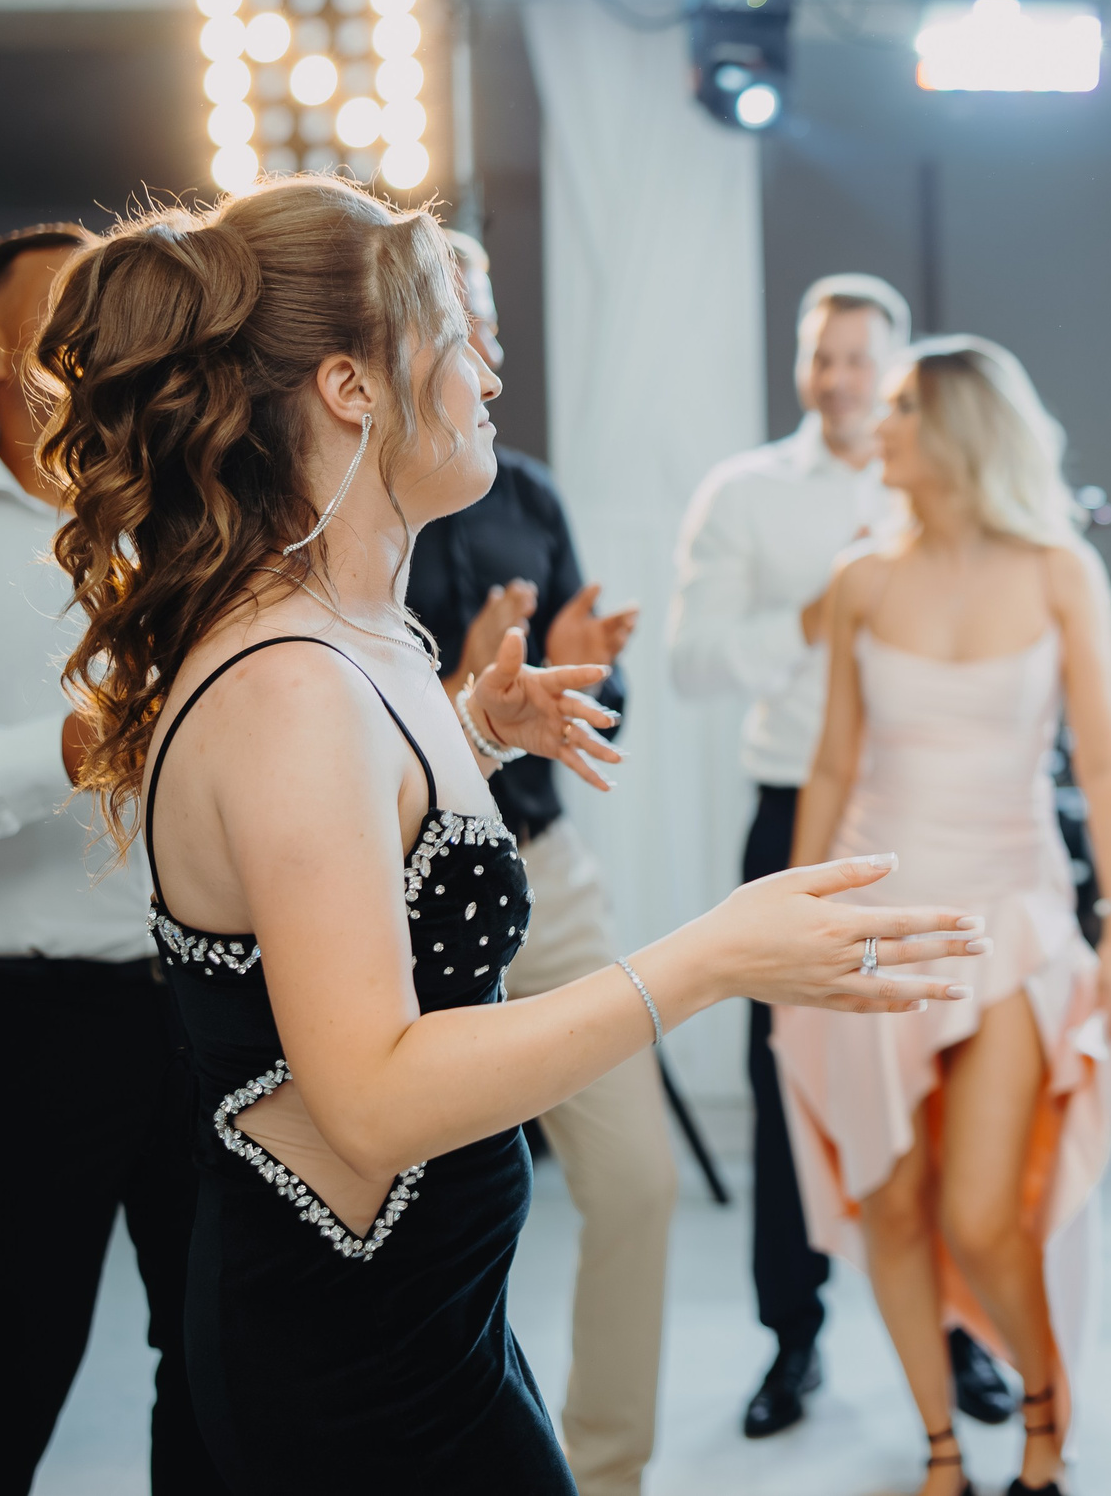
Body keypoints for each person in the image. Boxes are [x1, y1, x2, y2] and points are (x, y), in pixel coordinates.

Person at [29, 177, 984, 1493]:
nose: (486, 370)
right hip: (347, 1365)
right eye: (452, 332)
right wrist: (707, 958)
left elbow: (355, 857)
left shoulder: (362, 633)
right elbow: (365, 1096)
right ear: (352, 388)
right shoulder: (294, 682)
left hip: (426, 1317)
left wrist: (473, 732)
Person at [776, 336, 1111, 1496]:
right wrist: (793, 925)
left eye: (897, 409)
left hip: (1010, 913)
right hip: (872, 906)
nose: (876, 427)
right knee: (889, 1200)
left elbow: (1104, 761)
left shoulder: (1055, 570)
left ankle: (1045, 1419)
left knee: (988, 1212)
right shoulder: (861, 581)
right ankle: (942, 1451)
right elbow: (832, 765)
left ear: (954, 430)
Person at [0, 225, 228, 1494]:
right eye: (73, 308)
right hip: (13, 1028)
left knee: (218, 1373)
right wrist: (65, 751)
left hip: (210, 1006)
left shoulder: (195, 518)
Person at [670, 274, 1018, 1438]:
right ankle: (793, 1340)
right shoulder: (746, 493)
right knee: (793, 1083)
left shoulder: (958, 491)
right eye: (822, 359)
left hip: (938, 824)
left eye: (862, 360)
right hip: (801, 825)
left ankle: (966, 1331)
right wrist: (819, 617)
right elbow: (693, 661)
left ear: (901, 365)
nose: (839, 382)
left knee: (957, 1080)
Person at [401, 229, 675, 1496]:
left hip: (544, 875)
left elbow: (571, 711)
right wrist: (463, 694)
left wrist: (568, 662)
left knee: (636, 1182)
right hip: (391, 910)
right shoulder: (337, 523)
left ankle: (604, 1475)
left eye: (496, 324)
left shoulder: (530, 491)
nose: (493, 359)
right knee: (446, 1227)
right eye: (468, 328)